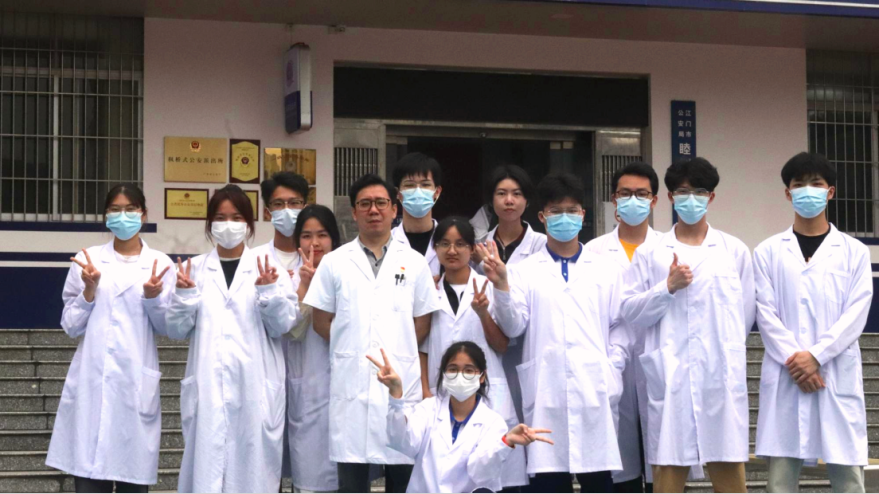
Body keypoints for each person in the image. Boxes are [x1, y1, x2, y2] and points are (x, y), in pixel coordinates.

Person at [620, 157, 756, 493]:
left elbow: (745, 314)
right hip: (671, 376)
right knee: (669, 468)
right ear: (669, 197)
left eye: (699, 192)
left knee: (729, 468)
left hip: (719, 375)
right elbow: (630, 311)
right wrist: (666, 288)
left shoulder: (733, 251)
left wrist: (723, 353)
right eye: (682, 192)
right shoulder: (651, 253)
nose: (691, 199)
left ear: (711, 197)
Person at [488, 173, 629, 493]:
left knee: (599, 480)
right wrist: (501, 287)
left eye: (572, 210)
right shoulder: (523, 271)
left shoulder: (605, 269)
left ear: (583, 215)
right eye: (555, 211)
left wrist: (613, 367)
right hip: (545, 390)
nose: (564, 217)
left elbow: (619, 326)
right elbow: (514, 327)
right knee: (549, 479)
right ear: (542, 217)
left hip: (595, 388)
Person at [303, 174, 440, 493]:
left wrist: (394, 347)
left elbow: (422, 323)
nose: (373, 210)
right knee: (352, 480)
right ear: (354, 212)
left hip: (400, 385)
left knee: (403, 478)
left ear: (394, 209)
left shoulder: (414, 263)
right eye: (365, 204)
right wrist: (353, 345)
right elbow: (321, 322)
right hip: (351, 386)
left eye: (380, 203)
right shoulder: (335, 262)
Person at [166, 184, 300, 493]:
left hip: (255, 388)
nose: (228, 225)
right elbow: (175, 330)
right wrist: (183, 297)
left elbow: (283, 326)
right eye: (220, 217)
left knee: (252, 473)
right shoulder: (192, 270)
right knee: (206, 472)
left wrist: (268, 291)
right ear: (209, 223)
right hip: (208, 388)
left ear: (249, 224)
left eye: (237, 217)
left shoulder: (271, 270)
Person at [754, 152, 872, 493]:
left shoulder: (854, 252)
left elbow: (856, 313)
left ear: (830, 191)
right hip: (787, 374)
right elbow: (765, 314)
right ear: (787, 193)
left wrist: (817, 356)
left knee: (849, 482)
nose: (808, 191)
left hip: (834, 374)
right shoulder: (767, 252)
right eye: (799, 184)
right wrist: (799, 362)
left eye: (816, 184)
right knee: (779, 482)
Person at [47, 184, 175, 493]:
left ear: (144, 214)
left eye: (130, 209)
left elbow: (168, 327)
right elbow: (70, 326)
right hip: (92, 381)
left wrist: (152, 298)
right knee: (90, 479)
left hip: (135, 384)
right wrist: (89, 291)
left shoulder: (160, 264)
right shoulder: (87, 260)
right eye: (115, 209)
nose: (123, 216)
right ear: (106, 216)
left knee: (133, 480)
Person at [421, 216, 528, 490]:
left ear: (472, 249)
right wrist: (424, 390)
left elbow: (502, 345)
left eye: (460, 244)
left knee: (492, 473)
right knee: (445, 475)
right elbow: (421, 347)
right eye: (444, 244)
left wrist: (483, 314)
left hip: (487, 392)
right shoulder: (428, 290)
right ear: (435, 248)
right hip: (442, 392)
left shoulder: (488, 286)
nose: (452, 250)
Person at [371, 341, 553, 494]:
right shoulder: (428, 409)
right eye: (453, 369)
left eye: (468, 370)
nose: (460, 376)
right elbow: (403, 443)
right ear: (444, 374)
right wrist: (396, 396)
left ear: (482, 376)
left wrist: (505, 442)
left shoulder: (493, 423)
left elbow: (480, 473)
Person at [584, 162, 662, 493]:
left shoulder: (668, 248)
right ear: (614, 198)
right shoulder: (593, 251)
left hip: (659, 360)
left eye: (641, 194)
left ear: (654, 200)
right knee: (621, 466)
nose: (633, 200)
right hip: (611, 363)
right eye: (625, 193)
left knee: (663, 463)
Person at [472, 165, 547, 434]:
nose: (509, 200)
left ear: (527, 200)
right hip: (489, 341)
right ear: (491, 200)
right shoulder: (478, 246)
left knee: (529, 420)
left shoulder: (542, 245)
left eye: (516, 194)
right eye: (501, 193)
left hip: (529, 342)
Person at [282, 204, 343, 493]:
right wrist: (304, 287)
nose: (314, 243)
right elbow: (290, 330)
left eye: (322, 235)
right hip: (306, 387)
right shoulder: (287, 279)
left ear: (334, 238)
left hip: (344, 386)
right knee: (309, 478)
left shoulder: (348, 273)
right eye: (306, 236)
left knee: (347, 476)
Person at [391, 152, 443, 276]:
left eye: (425, 185)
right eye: (409, 185)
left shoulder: (451, 240)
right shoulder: (388, 243)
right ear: (398, 193)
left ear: (437, 192)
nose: (418, 191)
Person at [258, 171, 311, 275]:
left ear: (305, 209)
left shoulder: (318, 258)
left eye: (294, 203)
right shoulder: (253, 258)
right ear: (267, 213)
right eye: (278, 203)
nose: (287, 210)